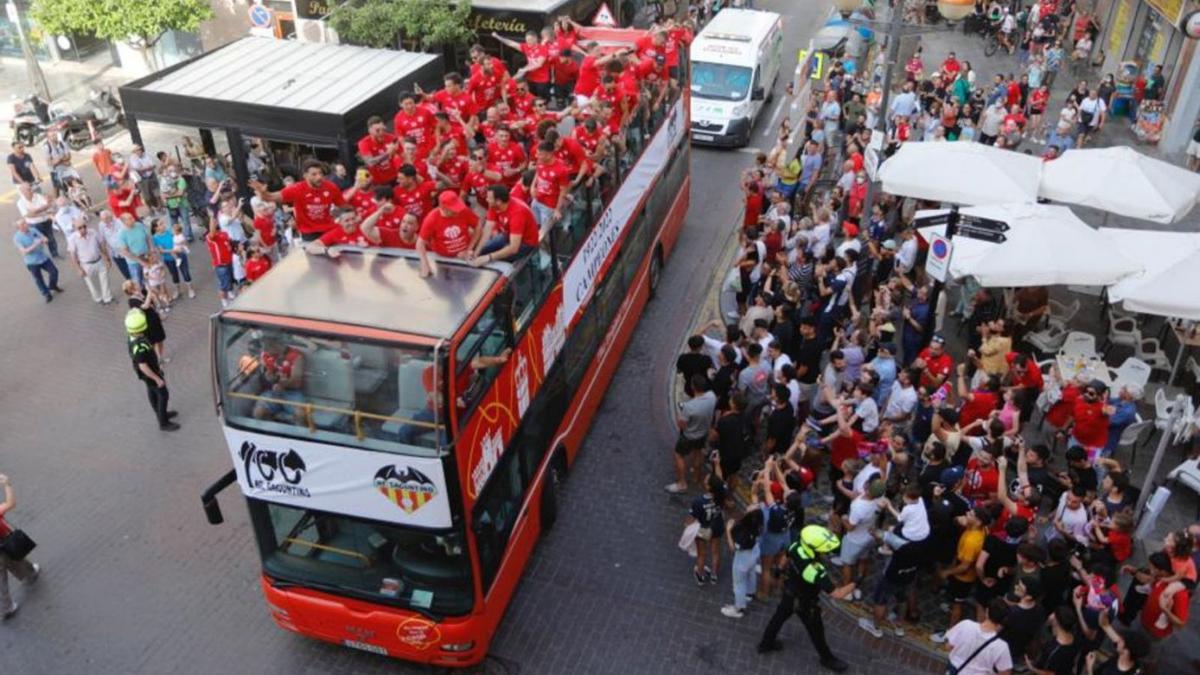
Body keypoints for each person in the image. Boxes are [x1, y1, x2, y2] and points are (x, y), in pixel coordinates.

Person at [758, 525, 855, 672]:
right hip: (806, 603)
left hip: (790, 593)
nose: (826, 552)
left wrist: (779, 569)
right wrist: (855, 583)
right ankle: (827, 659)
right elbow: (837, 594)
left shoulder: (797, 546)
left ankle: (765, 644)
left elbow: (786, 555)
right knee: (817, 632)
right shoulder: (815, 570)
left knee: (777, 618)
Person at [249, 160, 346, 241]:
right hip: (309, 234)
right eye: (314, 174)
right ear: (305, 175)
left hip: (328, 229)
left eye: (320, 173)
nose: (319, 177)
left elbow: (342, 205)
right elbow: (270, 197)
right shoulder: (296, 189)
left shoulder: (330, 187)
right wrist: (263, 193)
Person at [125, 308, 179, 431]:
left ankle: (161, 414)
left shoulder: (131, 337)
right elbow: (143, 365)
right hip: (150, 372)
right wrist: (157, 379)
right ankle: (163, 422)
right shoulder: (139, 346)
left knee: (152, 391)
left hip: (147, 373)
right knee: (162, 394)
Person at [668, 375, 716, 494]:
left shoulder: (689, 407)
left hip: (689, 436)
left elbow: (682, 425)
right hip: (703, 433)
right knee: (698, 452)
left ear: (693, 387)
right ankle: (696, 476)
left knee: (678, 455)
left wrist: (680, 415)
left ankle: (681, 483)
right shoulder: (712, 396)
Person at [0, 473, 40, 619]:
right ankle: (31, 574)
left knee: (1, 579)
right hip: (3, 546)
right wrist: (7, 484)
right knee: (16, 558)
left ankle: (6, 608)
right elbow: (11, 503)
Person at [945, 598, 1013, 674]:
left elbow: (948, 647)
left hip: (954, 669)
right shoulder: (1002, 647)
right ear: (1003, 620)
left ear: (987, 612)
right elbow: (1005, 673)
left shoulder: (966, 624)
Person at [252, 336, 308, 424]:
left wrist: (281, 383)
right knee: (258, 412)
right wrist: (268, 378)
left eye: (267, 347)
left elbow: (297, 382)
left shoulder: (296, 356)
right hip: (272, 392)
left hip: (292, 393)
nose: (264, 350)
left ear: (276, 344)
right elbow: (263, 376)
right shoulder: (265, 356)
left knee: (301, 414)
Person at [13, 218, 63, 303]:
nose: (26, 225)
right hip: (32, 262)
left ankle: (52, 285)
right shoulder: (17, 238)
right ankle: (46, 294)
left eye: (25, 223)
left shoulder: (33, 230)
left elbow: (43, 237)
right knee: (38, 279)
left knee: (54, 271)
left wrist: (45, 239)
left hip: (43, 257)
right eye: (23, 224)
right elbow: (24, 252)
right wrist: (36, 244)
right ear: (19, 228)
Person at [68, 217, 114, 304]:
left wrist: (107, 258)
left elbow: (101, 245)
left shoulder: (93, 232)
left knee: (105, 280)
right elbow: (73, 256)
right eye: (80, 228)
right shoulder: (72, 239)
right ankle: (98, 298)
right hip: (86, 265)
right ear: (75, 228)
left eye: (84, 226)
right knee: (91, 284)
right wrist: (78, 269)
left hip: (99, 260)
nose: (83, 229)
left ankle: (107, 298)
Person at [16, 182, 58, 259]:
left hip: (46, 221)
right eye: (28, 189)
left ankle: (55, 254)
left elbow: (47, 205)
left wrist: (35, 211)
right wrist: (42, 212)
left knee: (51, 238)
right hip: (34, 225)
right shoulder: (20, 202)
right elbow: (28, 215)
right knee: (37, 242)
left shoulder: (38, 196)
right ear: (23, 192)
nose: (31, 190)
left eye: (30, 188)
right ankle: (40, 257)